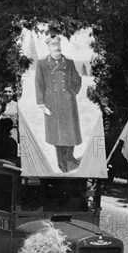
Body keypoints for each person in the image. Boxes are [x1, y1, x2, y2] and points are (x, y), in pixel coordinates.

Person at [35, 34, 82, 172]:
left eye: (57, 45)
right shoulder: (42, 64)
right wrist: (42, 104)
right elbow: (39, 84)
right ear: (49, 47)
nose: (56, 47)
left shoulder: (69, 62)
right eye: (53, 45)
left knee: (71, 131)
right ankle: (62, 162)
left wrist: (72, 91)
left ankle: (70, 156)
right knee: (57, 133)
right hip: (52, 103)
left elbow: (77, 78)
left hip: (68, 102)